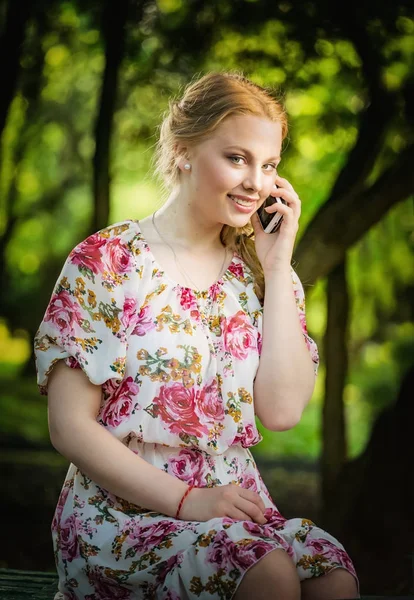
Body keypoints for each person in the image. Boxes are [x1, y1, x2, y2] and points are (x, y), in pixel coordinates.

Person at [34, 71, 360, 600]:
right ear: (184, 150)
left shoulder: (262, 274)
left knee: (331, 575)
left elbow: (280, 413)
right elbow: (69, 427)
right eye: (237, 158)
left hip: (236, 509)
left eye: (269, 164)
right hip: (120, 517)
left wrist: (277, 269)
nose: (256, 182)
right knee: (268, 573)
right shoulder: (108, 262)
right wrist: (189, 502)